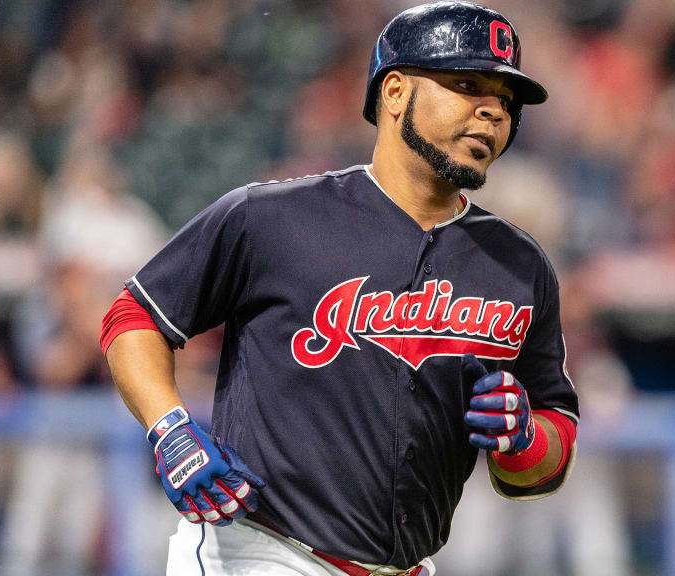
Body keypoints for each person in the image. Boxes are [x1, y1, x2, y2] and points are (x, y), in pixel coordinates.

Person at [99, 3, 579, 575]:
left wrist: (522, 438)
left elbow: (552, 446)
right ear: (395, 92)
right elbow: (135, 315)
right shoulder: (272, 218)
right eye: (467, 84)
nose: (492, 112)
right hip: (261, 552)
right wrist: (170, 429)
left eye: (505, 100)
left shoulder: (519, 265)